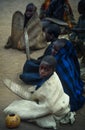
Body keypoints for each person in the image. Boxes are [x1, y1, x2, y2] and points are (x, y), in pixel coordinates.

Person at [4, 55, 75, 129]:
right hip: (58, 102)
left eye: (46, 70)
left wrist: (36, 104)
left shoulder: (51, 84)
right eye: (41, 68)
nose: (42, 71)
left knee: (14, 109)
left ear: (53, 70)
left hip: (54, 109)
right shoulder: (52, 75)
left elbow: (50, 107)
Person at [20, 38, 85, 112]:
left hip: (61, 89)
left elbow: (55, 82)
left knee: (27, 76)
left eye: (56, 50)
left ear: (62, 51)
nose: (53, 51)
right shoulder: (64, 56)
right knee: (29, 67)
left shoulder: (62, 63)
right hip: (51, 75)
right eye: (53, 48)